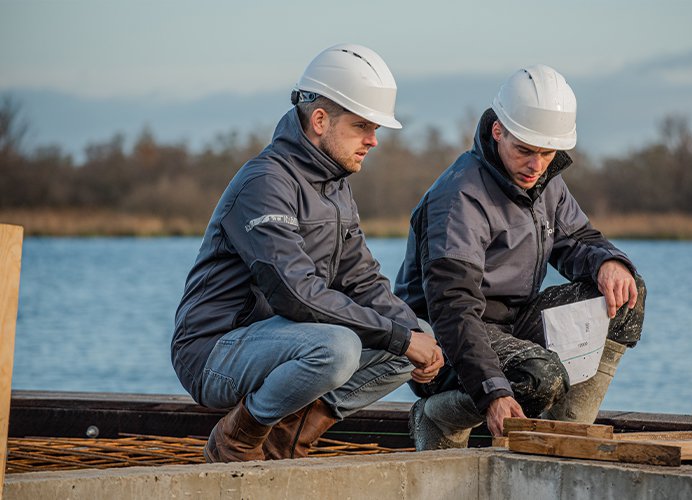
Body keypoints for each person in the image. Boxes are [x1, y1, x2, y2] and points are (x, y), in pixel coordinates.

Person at [171, 43, 443, 463]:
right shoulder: (265, 183)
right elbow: (295, 294)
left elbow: (363, 281)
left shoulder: (336, 189)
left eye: (375, 129)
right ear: (319, 120)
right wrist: (400, 338)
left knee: (414, 335)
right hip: (214, 353)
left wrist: (413, 335)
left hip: (285, 343)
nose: (373, 140)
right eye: (362, 126)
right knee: (339, 347)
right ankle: (236, 439)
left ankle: (285, 440)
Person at [394, 65, 646, 450]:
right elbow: (452, 308)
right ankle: (438, 416)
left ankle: (565, 441)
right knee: (540, 377)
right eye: (525, 150)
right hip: (445, 344)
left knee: (627, 294)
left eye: (547, 153)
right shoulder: (459, 199)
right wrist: (493, 392)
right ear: (498, 131)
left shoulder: (545, 182)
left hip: (514, 325)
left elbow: (576, 239)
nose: (536, 165)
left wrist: (607, 261)